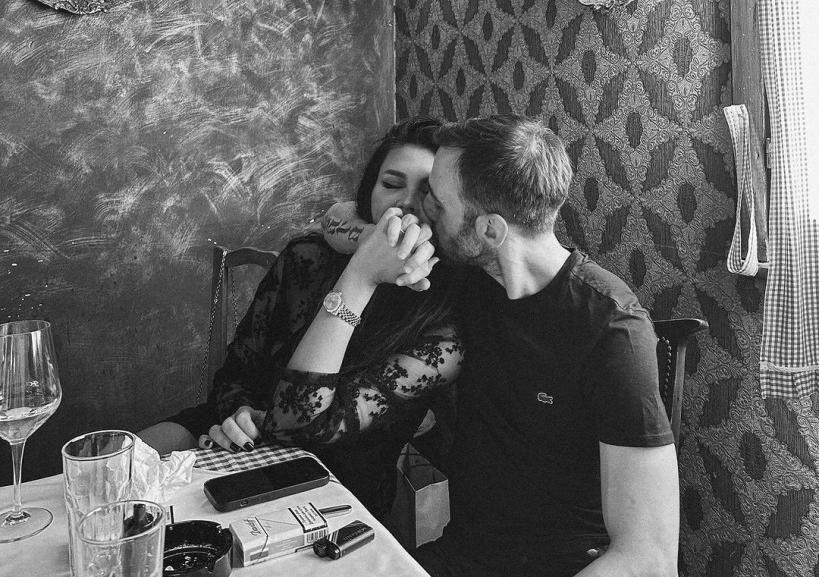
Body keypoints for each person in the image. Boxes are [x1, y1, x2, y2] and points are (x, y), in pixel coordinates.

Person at [139, 117, 462, 518]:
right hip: (232, 438)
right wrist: (238, 415)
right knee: (108, 473)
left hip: (332, 485)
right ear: (370, 190)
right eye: (391, 184)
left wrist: (361, 275)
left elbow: (301, 426)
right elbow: (236, 371)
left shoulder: (444, 323)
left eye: (427, 191)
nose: (406, 203)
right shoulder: (307, 256)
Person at [413, 115, 679, 577]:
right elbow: (365, 228)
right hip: (462, 557)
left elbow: (648, 558)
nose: (424, 211)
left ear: (490, 231)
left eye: (437, 203)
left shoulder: (613, 328)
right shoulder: (468, 277)